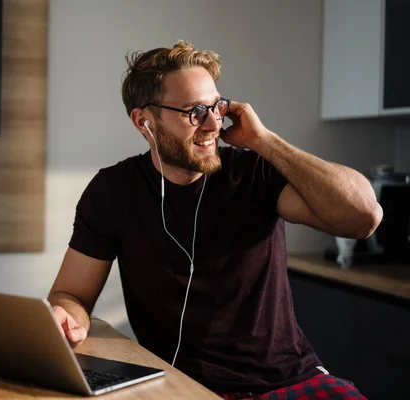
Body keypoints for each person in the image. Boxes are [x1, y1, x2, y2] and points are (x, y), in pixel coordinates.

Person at [48, 41, 379, 399]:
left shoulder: (256, 173)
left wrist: (264, 141)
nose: (213, 124)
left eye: (217, 106)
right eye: (194, 111)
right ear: (144, 121)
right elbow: (71, 293)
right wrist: (68, 318)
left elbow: (364, 218)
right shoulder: (113, 191)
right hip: (176, 384)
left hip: (286, 380)